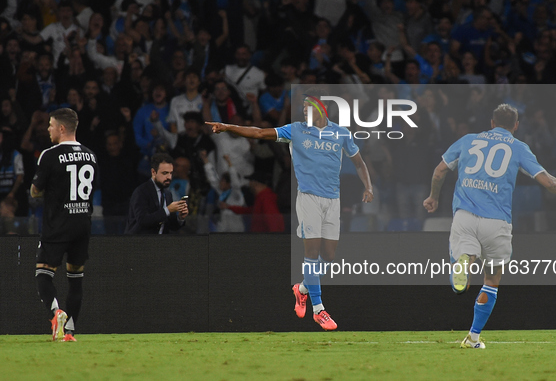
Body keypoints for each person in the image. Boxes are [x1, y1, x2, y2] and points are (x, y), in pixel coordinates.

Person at [206, 94, 373, 331]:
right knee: (312, 253)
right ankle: (319, 310)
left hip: (332, 201)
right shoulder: (295, 130)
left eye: (307, 108)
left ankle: (302, 288)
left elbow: (358, 162)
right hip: (308, 199)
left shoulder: (341, 133)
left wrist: (368, 186)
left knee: (329, 255)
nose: (304, 112)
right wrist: (227, 127)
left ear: (321, 110)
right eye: (303, 109)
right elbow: (259, 133)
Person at [423, 104, 556, 349]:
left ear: (492, 122)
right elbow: (547, 180)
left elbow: (440, 171)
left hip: (465, 215)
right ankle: (473, 337)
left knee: (464, 255)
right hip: (497, 223)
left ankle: (465, 260)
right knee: (492, 279)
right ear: (516, 125)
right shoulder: (518, 147)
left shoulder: (468, 140)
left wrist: (433, 197)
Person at [31, 107, 98, 342]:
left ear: (61, 128)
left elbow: (35, 191)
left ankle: (56, 313)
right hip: (82, 223)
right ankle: (69, 331)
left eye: (50, 125)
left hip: (58, 223)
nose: (48, 129)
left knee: (43, 273)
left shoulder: (49, 155)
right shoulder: (91, 155)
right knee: (75, 278)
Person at [124, 153, 188, 234]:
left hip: (160, 244)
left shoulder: (168, 194)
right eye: (165, 173)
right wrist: (167, 210)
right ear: (153, 172)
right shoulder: (141, 192)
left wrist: (180, 217)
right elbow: (143, 220)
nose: (169, 177)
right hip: (139, 243)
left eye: (171, 173)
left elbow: (171, 226)